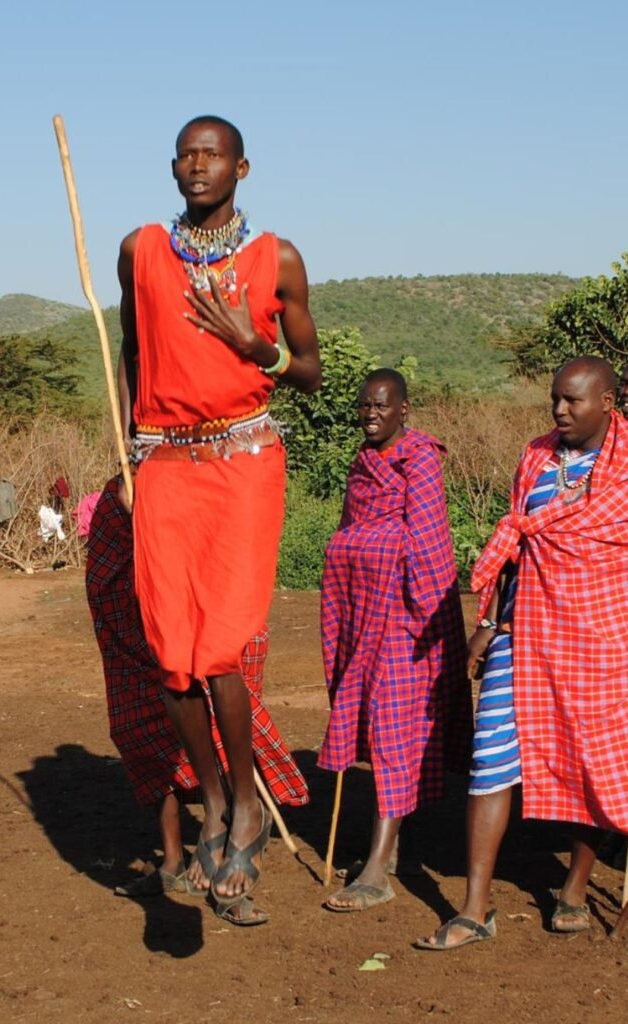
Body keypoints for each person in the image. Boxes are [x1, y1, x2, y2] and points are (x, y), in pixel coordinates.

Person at [117, 115, 321, 922]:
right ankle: (210, 790)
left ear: (242, 166)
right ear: (173, 168)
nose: (196, 166)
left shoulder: (279, 258)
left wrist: (254, 347)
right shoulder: (141, 250)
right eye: (185, 155)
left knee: (222, 648)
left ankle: (243, 801)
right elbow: (132, 346)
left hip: (242, 464)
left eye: (212, 155)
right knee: (170, 653)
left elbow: (307, 371)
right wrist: (133, 438)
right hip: (164, 463)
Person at [416, 356, 628, 950]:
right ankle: (475, 906)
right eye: (555, 399)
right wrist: (487, 623)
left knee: (594, 758)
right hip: (525, 630)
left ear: (608, 402)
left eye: (573, 401)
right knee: (491, 758)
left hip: (602, 640)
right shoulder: (536, 458)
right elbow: (515, 551)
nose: (559, 410)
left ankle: (575, 887)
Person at [85, 478, 308, 905]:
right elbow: (103, 582)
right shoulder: (121, 497)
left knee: (222, 720)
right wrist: (142, 518)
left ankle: (232, 844)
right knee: (145, 730)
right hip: (138, 623)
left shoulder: (221, 475)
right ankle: (172, 860)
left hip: (205, 608)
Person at [318, 369, 472, 911]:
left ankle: (378, 868)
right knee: (380, 726)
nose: (370, 415)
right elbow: (348, 532)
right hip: (367, 619)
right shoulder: (362, 466)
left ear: (404, 409)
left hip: (413, 623)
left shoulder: (421, 460)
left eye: (381, 406)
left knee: (393, 729)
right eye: (363, 406)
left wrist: (362, 548)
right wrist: (352, 552)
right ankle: (389, 847)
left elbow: (427, 546)